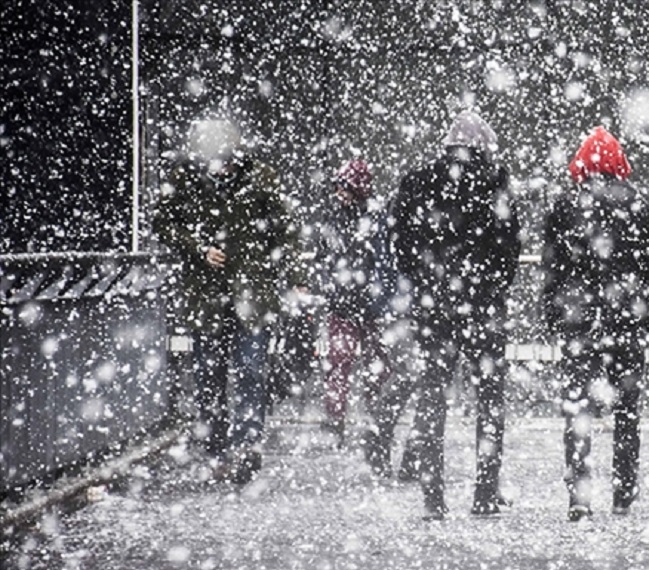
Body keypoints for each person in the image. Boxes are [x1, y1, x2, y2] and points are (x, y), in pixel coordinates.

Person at [372, 110, 521, 518]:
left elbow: (398, 237)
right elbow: (509, 246)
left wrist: (422, 282)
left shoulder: (419, 181)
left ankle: (432, 497)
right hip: (482, 307)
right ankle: (485, 492)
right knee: (489, 399)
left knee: (432, 396)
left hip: (433, 307)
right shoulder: (494, 183)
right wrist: (489, 286)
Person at [153, 117, 307, 483]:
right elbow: (162, 223)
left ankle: (246, 445)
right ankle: (217, 448)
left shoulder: (261, 178)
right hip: (207, 296)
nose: (224, 165)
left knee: (251, 371)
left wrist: (296, 276)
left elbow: (285, 230)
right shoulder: (184, 180)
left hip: (250, 292)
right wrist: (198, 247)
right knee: (210, 375)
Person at [541, 126, 649, 520]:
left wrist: (556, 314)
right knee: (627, 412)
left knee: (578, 410)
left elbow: (552, 268)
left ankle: (580, 495)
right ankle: (624, 492)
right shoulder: (641, 206)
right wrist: (646, 315)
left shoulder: (564, 206)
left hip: (580, 324)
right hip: (626, 322)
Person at [316, 158, 392, 443]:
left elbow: (383, 258)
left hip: (362, 301)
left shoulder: (371, 216)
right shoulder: (352, 215)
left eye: (345, 188)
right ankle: (342, 418)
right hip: (350, 301)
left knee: (362, 363)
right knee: (342, 362)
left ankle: (364, 413)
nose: (340, 193)